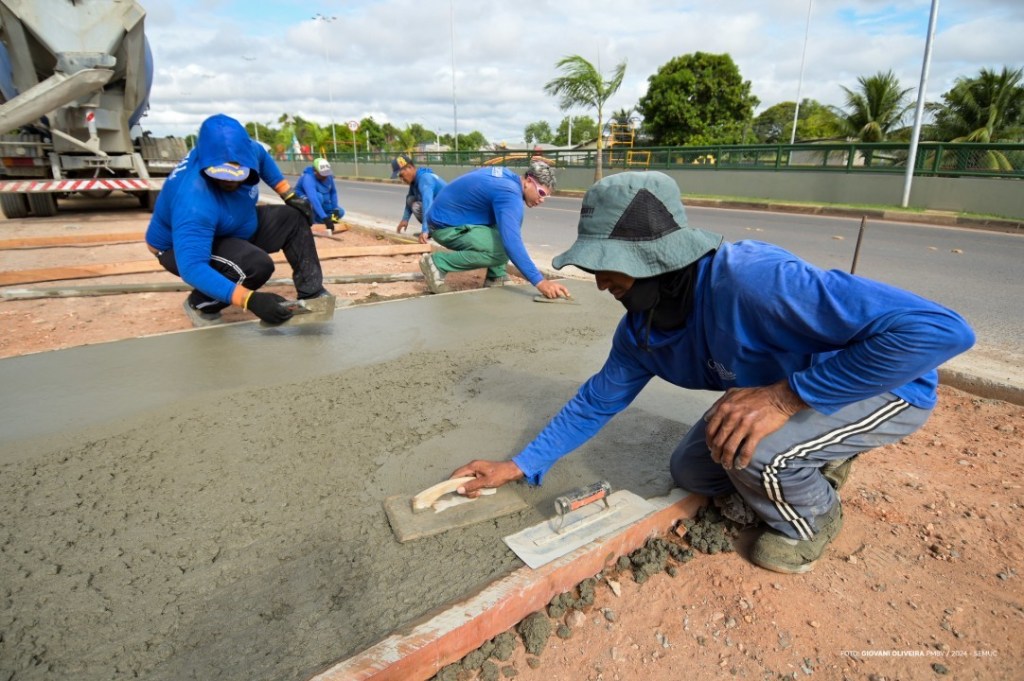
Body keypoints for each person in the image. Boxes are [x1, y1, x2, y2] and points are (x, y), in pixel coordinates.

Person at [451, 171, 975, 574]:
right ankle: (814, 451)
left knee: (758, 455)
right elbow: (596, 400)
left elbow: (942, 332)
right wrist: (519, 466)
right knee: (694, 471)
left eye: (607, 265)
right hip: (793, 389)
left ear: (657, 258)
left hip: (886, 385)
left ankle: (814, 518)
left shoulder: (755, 282)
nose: (599, 280)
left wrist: (784, 400)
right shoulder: (642, 328)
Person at [145, 113, 330, 327]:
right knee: (254, 266)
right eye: (222, 176)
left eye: (238, 175)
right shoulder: (193, 202)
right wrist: (250, 300)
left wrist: (288, 194)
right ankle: (201, 304)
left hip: (235, 225)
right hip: (177, 247)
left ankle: (313, 294)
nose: (230, 181)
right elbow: (193, 267)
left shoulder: (248, 150)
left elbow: (261, 156)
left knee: (293, 218)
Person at [418, 160, 570, 298]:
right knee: (502, 250)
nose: (542, 200)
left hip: (450, 217)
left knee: (508, 224)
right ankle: (437, 263)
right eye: (541, 193)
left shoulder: (507, 177)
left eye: (546, 196)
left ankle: (496, 275)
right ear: (528, 181)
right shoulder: (510, 194)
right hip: (443, 226)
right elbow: (512, 243)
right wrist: (540, 282)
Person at [391, 153, 447, 245]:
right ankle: (431, 230)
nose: (401, 179)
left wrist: (425, 230)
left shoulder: (425, 178)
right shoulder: (415, 181)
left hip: (448, 214)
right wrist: (405, 219)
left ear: (409, 167)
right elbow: (409, 199)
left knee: (417, 206)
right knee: (411, 200)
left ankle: (432, 231)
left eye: (401, 175)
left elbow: (427, 204)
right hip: (440, 213)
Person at [295, 157, 347, 234]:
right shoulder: (308, 178)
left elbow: (333, 192)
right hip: (306, 202)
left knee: (341, 212)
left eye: (326, 174)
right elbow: (313, 199)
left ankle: (321, 221)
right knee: (319, 197)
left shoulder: (328, 176)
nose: (325, 176)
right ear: (315, 171)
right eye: (322, 174)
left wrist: (335, 208)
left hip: (321, 203)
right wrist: (325, 218)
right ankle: (312, 222)